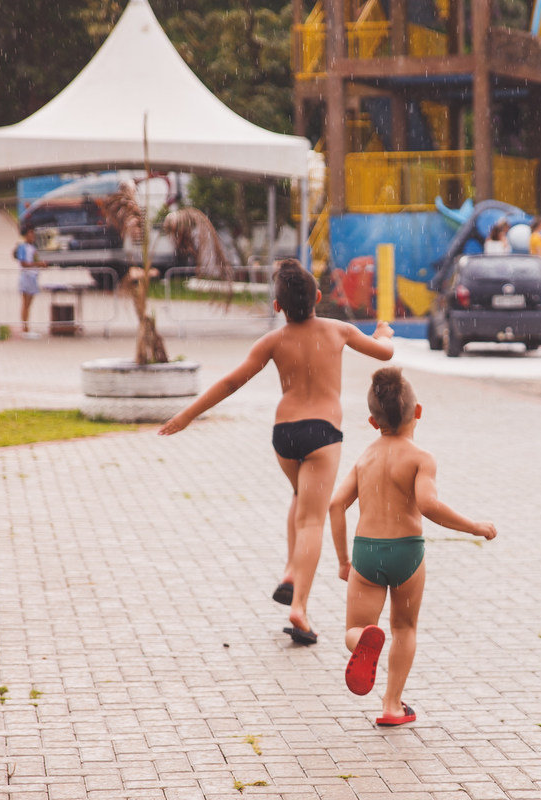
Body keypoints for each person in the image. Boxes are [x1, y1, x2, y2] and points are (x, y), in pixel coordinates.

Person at [158, 259, 395, 644]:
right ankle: (299, 605)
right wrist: (383, 332)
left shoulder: (272, 341)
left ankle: (289, 570)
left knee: (302, 496)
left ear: (277, 306)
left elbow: (232, 382)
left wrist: (186, 416)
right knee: (312, 521)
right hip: (322, 433)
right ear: (318, 297)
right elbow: (384, 354)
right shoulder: (339, 330)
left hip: (284, 435)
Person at [329, 367, 497, 726]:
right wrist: (474, 526)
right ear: (417, 412)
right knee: (404, 628)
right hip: (406, 552)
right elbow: (428, 505)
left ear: (373, 422)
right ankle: (392, 706)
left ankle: (362, 640)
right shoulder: (421, 458)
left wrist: (344, 559)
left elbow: (334, 505)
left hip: (367, 552)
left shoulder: (365, 458)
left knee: (354, 628)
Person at [16, 228, 46, 338]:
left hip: (33, 276)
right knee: (25, 303)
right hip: (26, 276)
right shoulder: (22, 247)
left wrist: (40, 265)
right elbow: (24, 263)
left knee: (29, 304)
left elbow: (35, 261)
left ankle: (27, 326)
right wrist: (37, 264)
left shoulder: (33, 248)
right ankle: (25, 327)